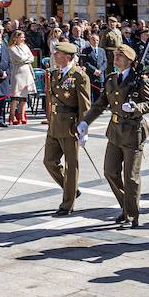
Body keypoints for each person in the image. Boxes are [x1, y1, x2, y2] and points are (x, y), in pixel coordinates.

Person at [81, 42, 149, 228]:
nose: (115, 58)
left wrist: (135, 108)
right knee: (110, 171)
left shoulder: (140, 80)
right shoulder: (111, 78)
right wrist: (84, 122)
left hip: (133, 132)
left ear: (130, 60)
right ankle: (127, 205)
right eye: (115, 55)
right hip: (115, 132)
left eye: (120, 56)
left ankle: (131, 214)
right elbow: (100, 104)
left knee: (131, 177)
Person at [43, 41, 93, 217]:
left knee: (71, 166)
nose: (55, 56)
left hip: (70, 125)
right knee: (49, 161)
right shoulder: (56, 74)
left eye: (58, 54)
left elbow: (85, 105)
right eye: (55, 53)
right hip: (55, 124)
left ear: (68, 57)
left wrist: (84, 129)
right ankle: (71, 188)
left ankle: (67, 205)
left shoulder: (79, 76)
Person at [7, 29, 36, 126]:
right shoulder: (12, 47)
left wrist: (26, 58)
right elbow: (19, 58)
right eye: (21, 37)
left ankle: (22, 113)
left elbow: (32, 58)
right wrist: (26, 58)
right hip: (17, 72)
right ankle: (12, 114)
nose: (23, 38)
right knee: (15, 95)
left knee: (24, 95)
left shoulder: (25, 46)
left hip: (27, 71)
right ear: (16, 38)